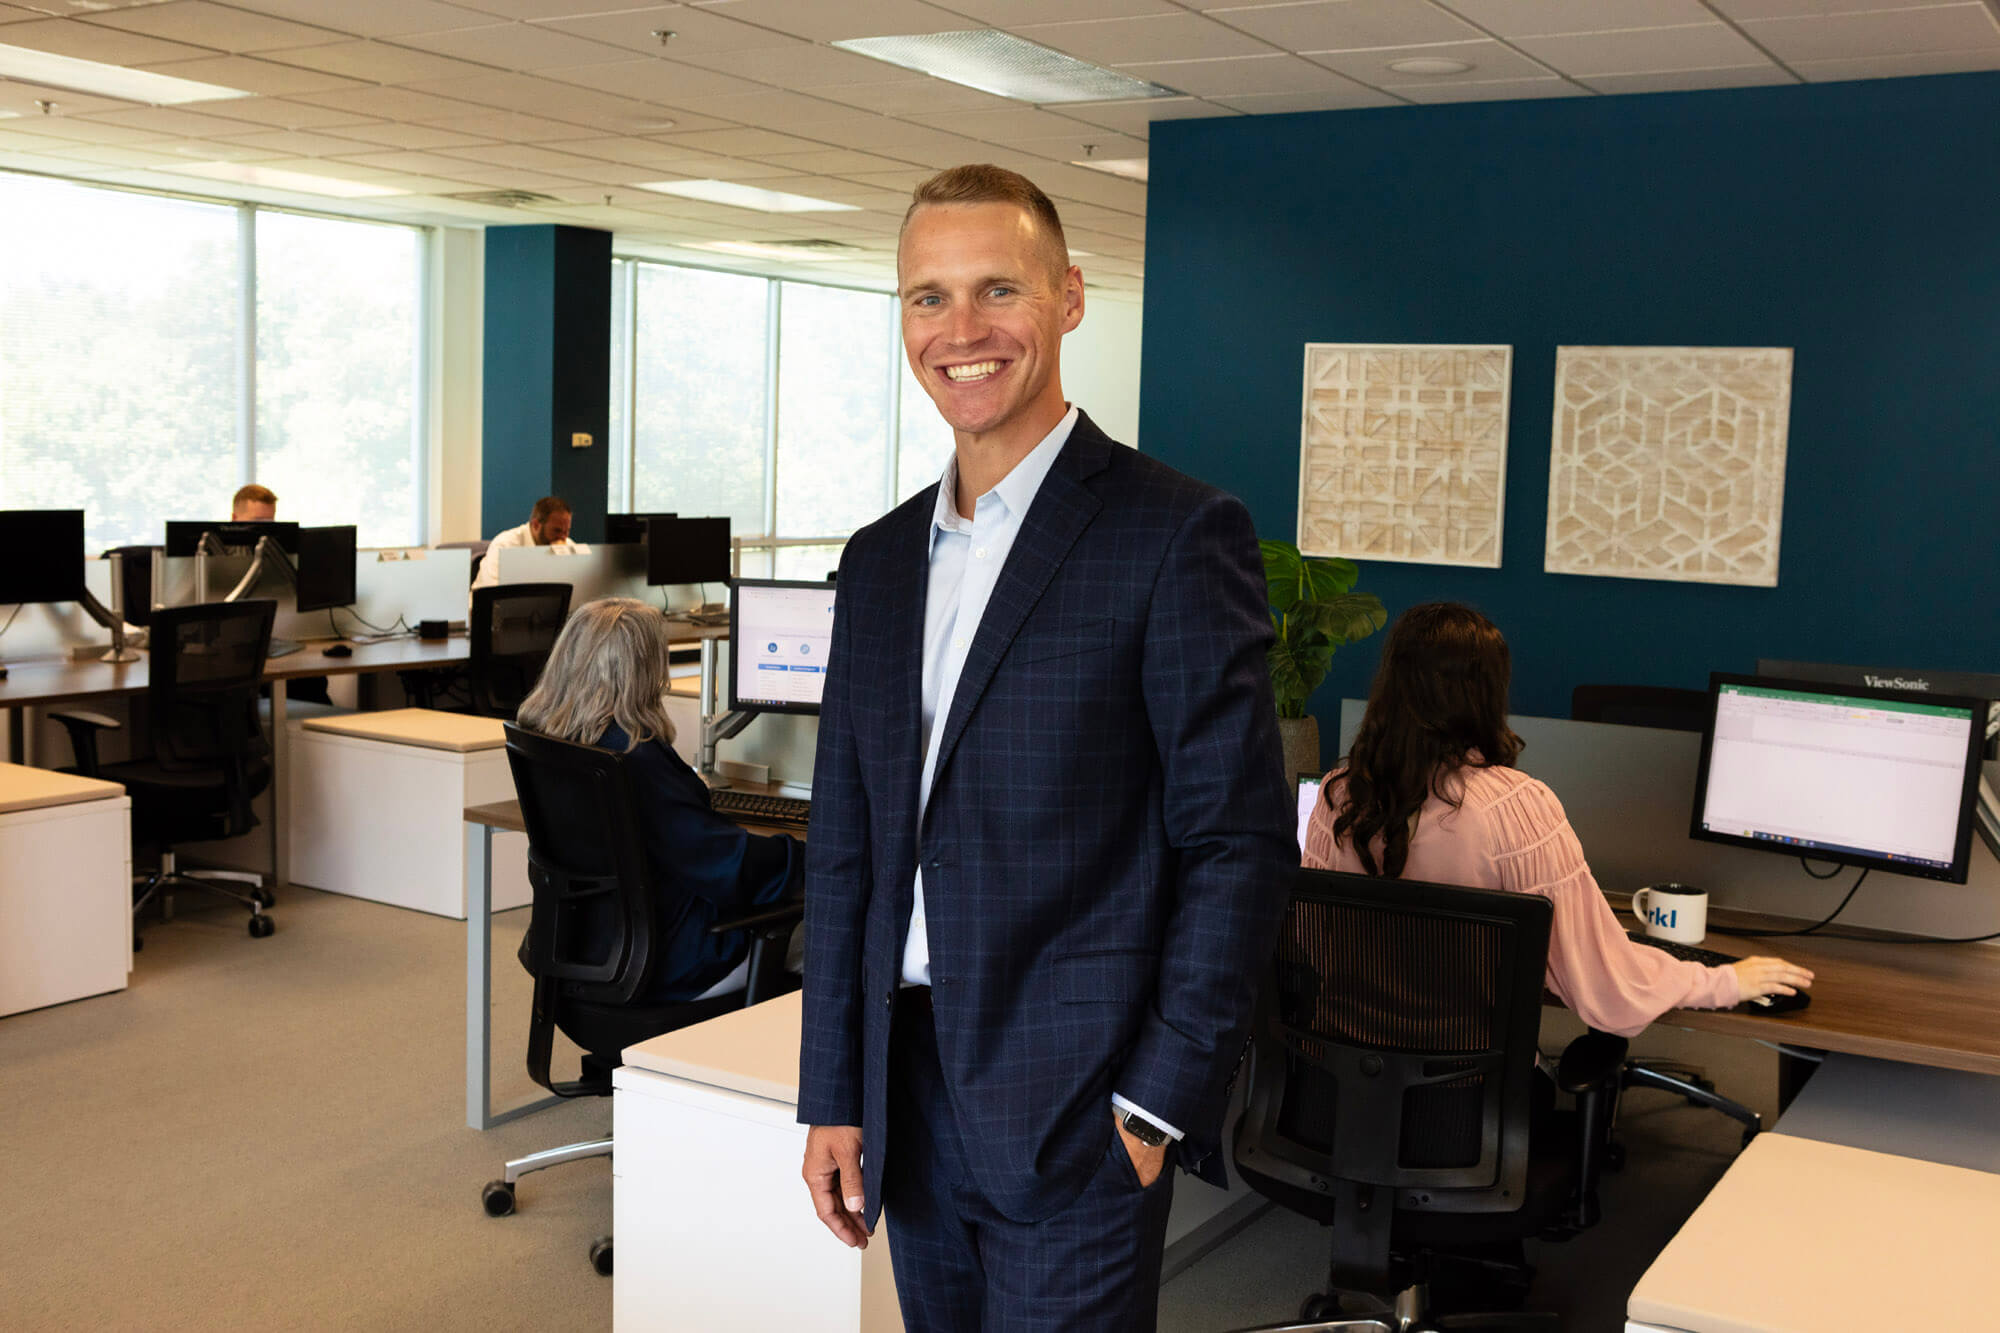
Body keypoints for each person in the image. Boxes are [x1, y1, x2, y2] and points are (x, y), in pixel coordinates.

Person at [797, 164, 1295, 1330]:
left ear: (1067, 298)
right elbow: (844, 846)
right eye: (926, 298)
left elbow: (1237, 842)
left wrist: (1155, 1101)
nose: (959, 332)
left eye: (995, 291)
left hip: (1078, 1099)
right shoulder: (876, 562)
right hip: (904, 1090)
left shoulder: (1172, 534)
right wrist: (835, 1086)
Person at [1304, 602, 1813, 1037]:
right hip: (1456, 1097)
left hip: (1335, 1085)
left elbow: (1307, 947)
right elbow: (1606, 984)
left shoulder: (1339, 797)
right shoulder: (1514, 807)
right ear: (1487, 694)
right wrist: (1725, 981)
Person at [514, 597, 801, 1003]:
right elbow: (728, 866)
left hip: (578, 953)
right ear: (645, 671)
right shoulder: (635, 758)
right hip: (669, 965)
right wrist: (808, 857)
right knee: (839, 926)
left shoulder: (551, 739)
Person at [473, 495, 590, 593]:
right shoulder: (506, 544)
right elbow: (490, 589)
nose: (563, 537)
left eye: (566, 531)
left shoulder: (566, 545)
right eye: (557, 531)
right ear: (536, 525)